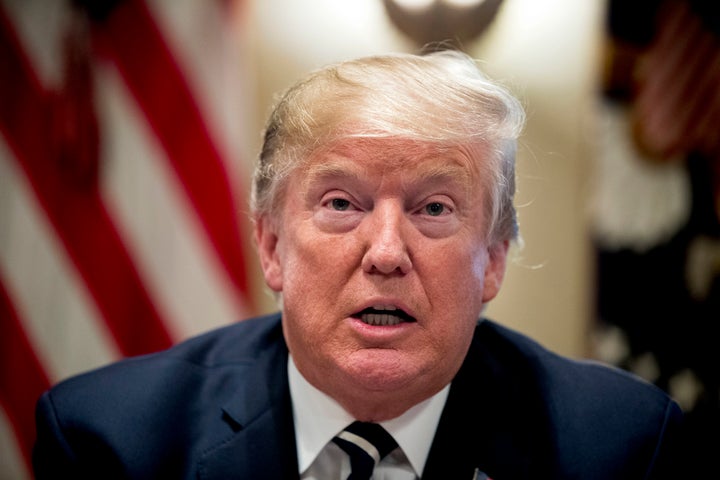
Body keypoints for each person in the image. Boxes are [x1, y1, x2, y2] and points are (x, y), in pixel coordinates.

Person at [33, 49, 683, 479]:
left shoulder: (621, 449)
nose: (387, 253)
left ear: (492, 260)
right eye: (342, 202)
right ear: (270, 245)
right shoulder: (110, 444)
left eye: (434, 209)